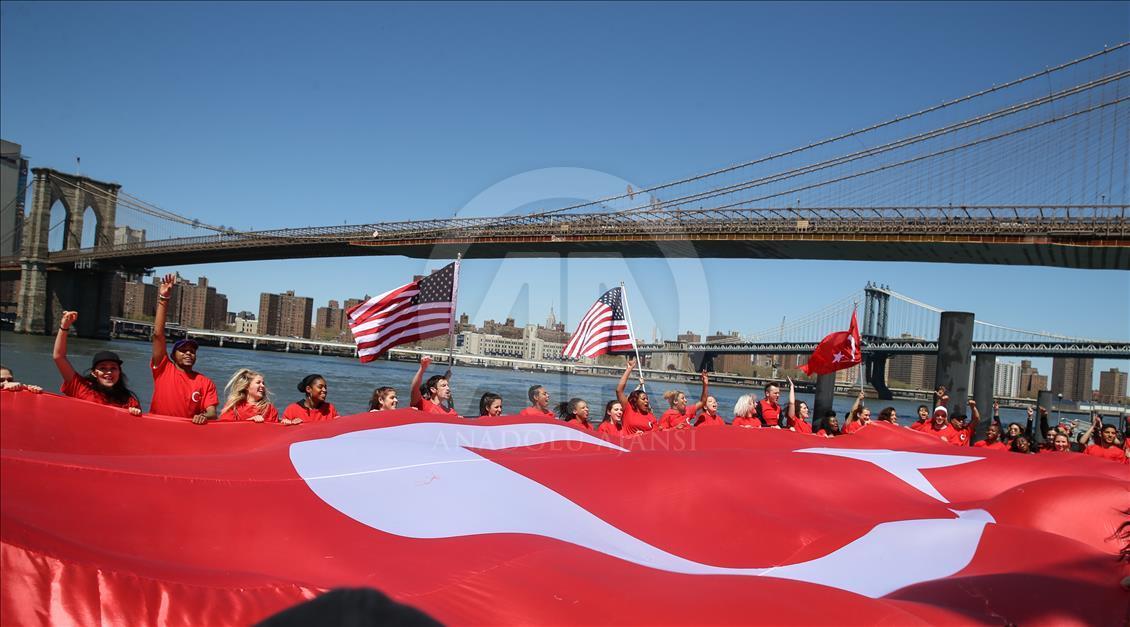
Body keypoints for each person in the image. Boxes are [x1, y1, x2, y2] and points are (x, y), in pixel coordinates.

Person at [150, 273, 218, 424]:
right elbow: (158, 335)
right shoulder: (163, 369)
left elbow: (212, 413)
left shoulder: (205, 382)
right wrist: (164, 299)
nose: (189, 353)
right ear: (173, 355)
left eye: (192, 351)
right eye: (183, 350)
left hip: (184, 437)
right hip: (156, 431)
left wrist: (204, 417)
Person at [52, 311, 141, 414]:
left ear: (119, 372)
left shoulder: (129, 402)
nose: (109, 372)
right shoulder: (81, 388)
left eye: (113, 368)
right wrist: (64, 327)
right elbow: (59, 357)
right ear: (94, 373)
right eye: (103, 368)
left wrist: (134, 416)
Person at [615, 358, 657, 436]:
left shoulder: (651, 416)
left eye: (647, 399)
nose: (646, 401)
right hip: (627, 445)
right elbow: (619, 390)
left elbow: (657, 434)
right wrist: (629, 369)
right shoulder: (628, 409)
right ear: (635, 400)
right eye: (643, 399)